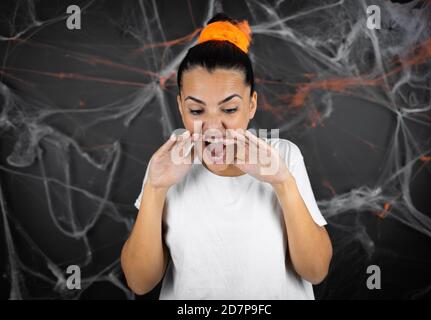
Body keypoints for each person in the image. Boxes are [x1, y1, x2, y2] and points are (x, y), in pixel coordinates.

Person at [120, 12, 332, 300]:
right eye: (197, 111)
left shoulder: (282, 155)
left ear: (251, 105)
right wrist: (155, 189)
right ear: (181, 106)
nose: (213, 127)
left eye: (229, 109)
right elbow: (139, 282)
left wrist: (283, 183)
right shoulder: (167, 163)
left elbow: (316, 270)